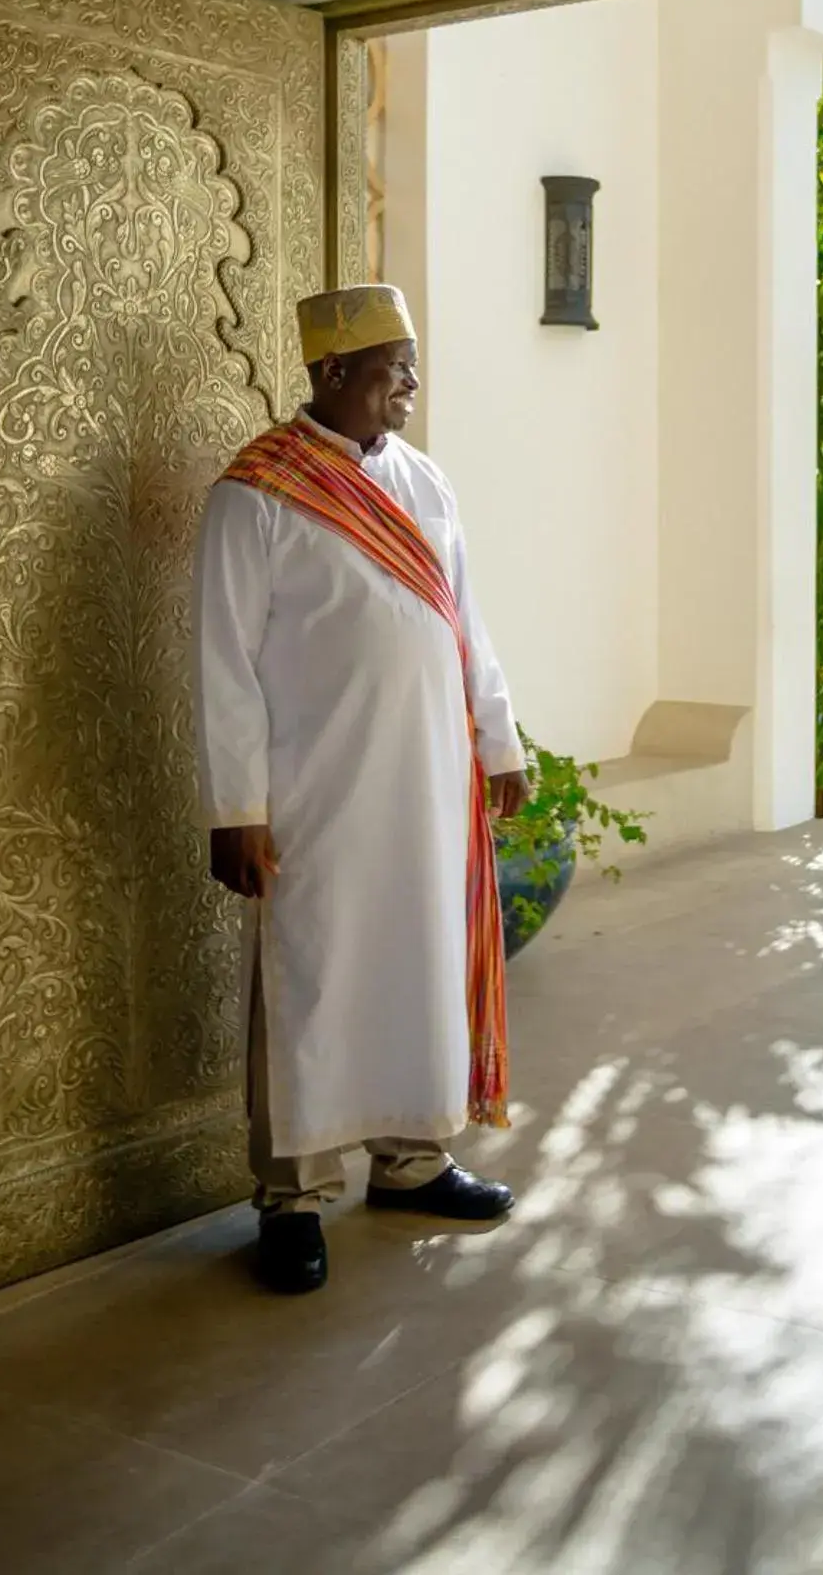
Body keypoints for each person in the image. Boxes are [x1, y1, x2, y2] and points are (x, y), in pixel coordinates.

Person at [192, 284, 529, 1294]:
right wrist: (234, 809)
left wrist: (497, 737)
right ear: (332, 374)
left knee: (417, 965)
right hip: (316, 791)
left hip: (427, 785)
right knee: (315, 976)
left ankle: (412, 1158)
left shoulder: (426, 483)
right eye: (394, 370)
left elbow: (464, 619)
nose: (410, 387)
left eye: (412, 367)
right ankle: (290, 1199)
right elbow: (223, 663)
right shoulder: (254, 494)